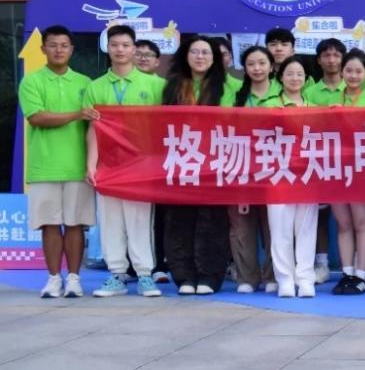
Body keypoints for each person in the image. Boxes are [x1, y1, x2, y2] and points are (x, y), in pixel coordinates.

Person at [81, 25, 165, 298]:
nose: (120, 50)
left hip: (141, 166)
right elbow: (92, 129)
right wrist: (91, 165)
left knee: (140, 221)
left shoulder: (155, 85)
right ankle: (116, 274)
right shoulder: (95, 87)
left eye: (126, 45)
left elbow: (166, 127)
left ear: (134, 49)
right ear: (108, 48)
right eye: (115, 45)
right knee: (110, 221)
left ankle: (144, 275)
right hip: (108, 165)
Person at [19, 25, 92, 299]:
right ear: (43, 49)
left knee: (75, 224)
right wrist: (76, 114)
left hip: (77, 165)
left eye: (64, 45)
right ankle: (53, 279)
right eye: (53, 45)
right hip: (44, 166)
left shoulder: (85, 83)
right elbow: (37, 117)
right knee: (49, 224)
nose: (59, 50)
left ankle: (73, 279)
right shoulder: (32, 81)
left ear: (72, 49)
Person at [160, 36, 231, 295]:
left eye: (206, 52)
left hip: (216, 163)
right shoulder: (171, 87)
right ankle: (184, 276)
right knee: (179, 220)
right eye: (195, 52)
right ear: (185, 56)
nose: (200, 57)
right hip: (181, 162)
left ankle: (210, 276)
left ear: (215, 58)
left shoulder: (231, 87)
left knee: (212, 221)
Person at [261, 58, 320, 298]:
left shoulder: (315, 108)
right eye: (290, 74)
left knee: (306, 229)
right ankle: (284, 279)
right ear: (281, 77)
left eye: (299, 74)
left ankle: (305, 279)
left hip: (307, 175)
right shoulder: (269, 105)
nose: (295, 78)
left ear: (306, 79)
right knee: (280, 230)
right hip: (278, 175)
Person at [329, 50, 365, 295]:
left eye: (358, 71)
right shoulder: (332, 101)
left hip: (362, 168)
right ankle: (347, 272)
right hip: (336, 168)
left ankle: (361, 274)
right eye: (348, 71)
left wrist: (345, 117)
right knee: (343, 224)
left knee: (361, 222)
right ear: (341, 73)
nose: (353, 75)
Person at [229, 46, 279, 294]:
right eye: (251, 64)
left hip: (275, 168)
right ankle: (246, 278)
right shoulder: (235, 96)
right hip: (242, 167)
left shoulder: (284, 94)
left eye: (262, 63)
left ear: (271, 66)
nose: (257, 68)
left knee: (274, 225)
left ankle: (272, 275)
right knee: (242, 225)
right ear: (244, 68)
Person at [305, 38, 346, 107]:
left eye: (336, 55)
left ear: (343, 59)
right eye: (326, 55)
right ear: (319, 60)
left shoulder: (352, 90)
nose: (331, 60)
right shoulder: (309, 92)